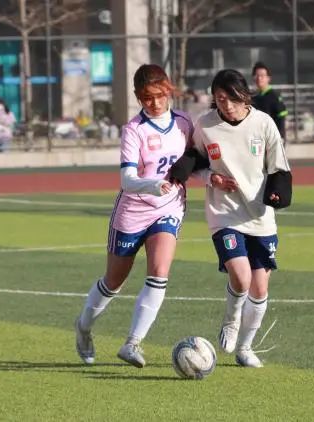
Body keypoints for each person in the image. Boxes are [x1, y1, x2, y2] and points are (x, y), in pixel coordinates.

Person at [74, 64, 193, 368]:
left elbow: (194, 162)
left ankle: (132, 343)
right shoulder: (134, 130)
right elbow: (127, 180)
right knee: (114, 282)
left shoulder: (184, 123)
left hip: (168, 208)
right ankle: (84, 326)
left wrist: (212, 178)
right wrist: (153, 184)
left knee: (159, 273)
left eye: (159, 95)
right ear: (138, 98)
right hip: (133, 211)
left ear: (168, 90)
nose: (154, 103)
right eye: (147, 98)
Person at [177, 69, 291, 368]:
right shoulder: (206, 124)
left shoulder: (263, 122)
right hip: (224, 214)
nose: (226, 105)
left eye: (231, 98)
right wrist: (211, 178)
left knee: (260, 288)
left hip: (259, 216)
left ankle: (245, 347)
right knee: (240, 277)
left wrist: (279, 193)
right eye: (219, 99)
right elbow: (194, 161)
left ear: (244, 96)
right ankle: (231, 320)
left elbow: (279, 166)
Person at [251, 62, 288, 142]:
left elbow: (281, 118)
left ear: (268, 78)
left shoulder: (274, 97)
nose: (259, 78)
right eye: (256, 75)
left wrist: (280, 137)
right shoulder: (253, 97)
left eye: (262, 75)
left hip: (272, 139)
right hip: (258, 139)